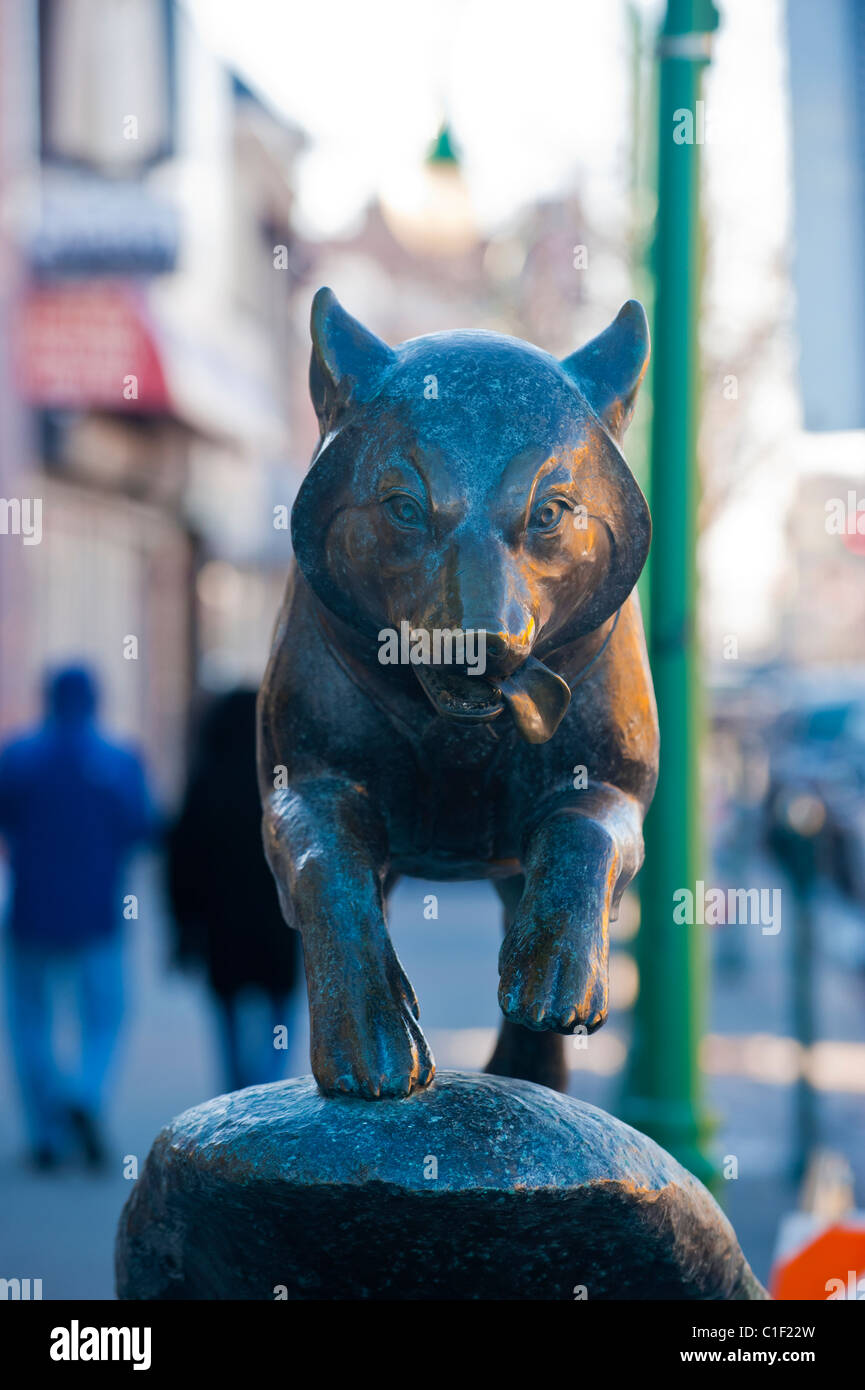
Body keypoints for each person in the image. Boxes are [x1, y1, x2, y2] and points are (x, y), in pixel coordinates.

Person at [0, 665, 157, 1169]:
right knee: (106, 1014)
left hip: (31, 914)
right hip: (98, 913)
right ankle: (85, 1094)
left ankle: (46, 1132)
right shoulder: (119, 760)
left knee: (30, 1021)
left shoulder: (17, 758)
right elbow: (142, 828)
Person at [166, 688, 299, 1093]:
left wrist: (184, 926)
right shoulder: (286, 786)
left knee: (227, 1018)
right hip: (277, 926)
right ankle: (268, 1088)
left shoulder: (204, 783)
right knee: (280, 1011)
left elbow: (181, 865)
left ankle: (237, 1092)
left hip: (222, 929)